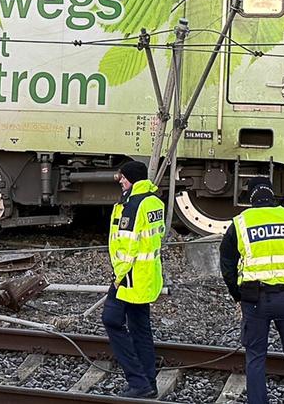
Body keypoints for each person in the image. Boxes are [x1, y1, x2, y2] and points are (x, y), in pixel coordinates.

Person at [219, 177, 284, 404]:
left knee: (255, 357)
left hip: (254, 299)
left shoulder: (241, 223)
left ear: (251, 198)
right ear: (272, 195)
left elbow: (226, 264)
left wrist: (238, 295)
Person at [103, 160, 166, 399]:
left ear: (132, 179)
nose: (120, 181)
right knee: (140, 328)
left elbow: (127, 247)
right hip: (147, 275)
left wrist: (118, 278)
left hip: (128, 276)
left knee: (110, 320)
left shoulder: (132, 205)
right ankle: (149, 381)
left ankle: (138, 381)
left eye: (123, 177)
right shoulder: (153, 201)